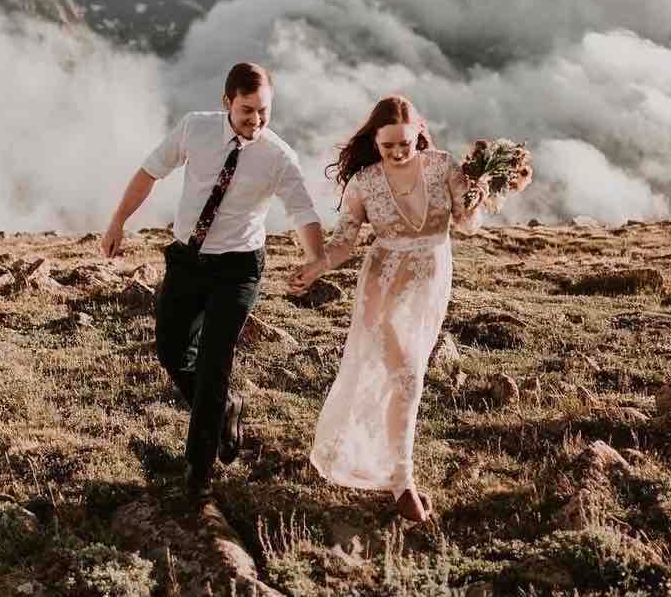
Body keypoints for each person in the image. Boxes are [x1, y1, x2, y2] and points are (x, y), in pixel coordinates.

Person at [101, 62, 324, 500]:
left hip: (238, 270)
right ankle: (225, 409)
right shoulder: (195, 128)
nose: (256, 120)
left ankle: (198, 475)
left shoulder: (278, 156)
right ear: (227, 103)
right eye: (247, 110)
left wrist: (315, 258)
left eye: (264, 110)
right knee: (171, 351)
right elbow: (149, 172)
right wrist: (117, 222)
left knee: (213, 365)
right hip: (187, 260)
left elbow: (302, 211)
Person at [289, 95, 483, 522]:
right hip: (383, 287)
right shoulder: (364, 183)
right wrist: (316, 267)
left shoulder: (444, 167)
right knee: (406, 378)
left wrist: (477, 197)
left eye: (404, 144)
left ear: (420, 134)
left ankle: (388, 466)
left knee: (407, 378)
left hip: (429, 288)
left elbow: (467, 225)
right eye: (387, 145)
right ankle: (402, 481)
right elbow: (343, 243)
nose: (396, 152)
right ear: (374, 141)